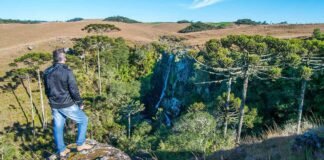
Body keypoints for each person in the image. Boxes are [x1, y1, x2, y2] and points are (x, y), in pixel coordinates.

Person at [43, 48, 93, 157]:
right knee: (84, 119)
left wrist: (52, 101)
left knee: (58, 126)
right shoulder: (67, 71)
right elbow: (73, 89)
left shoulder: (46, 72)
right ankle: (80, 144)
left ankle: (62, 150)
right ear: (63, 58)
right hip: (67, 104)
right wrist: (79, 102)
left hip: (54, 104)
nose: (66, 58)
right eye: (65, 57)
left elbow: (46, 90)